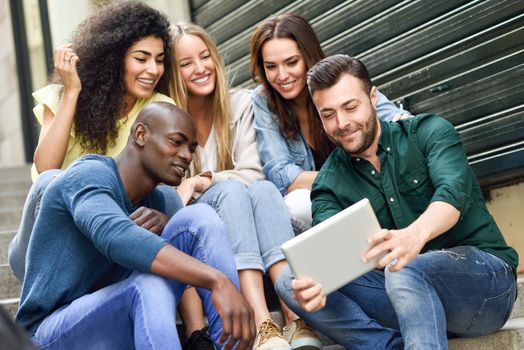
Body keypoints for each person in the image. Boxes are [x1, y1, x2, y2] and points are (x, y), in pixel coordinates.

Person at [275, 54, 518, 349]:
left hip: (483, 289)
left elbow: (452, 195)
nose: (342, 123)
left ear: (373, 97)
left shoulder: (429, 132)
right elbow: (332, 254)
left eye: (351, 107)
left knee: (404, 268)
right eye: (328, 114)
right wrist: (318, 284)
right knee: (291, 279)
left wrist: (413, 236)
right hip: (402, 300)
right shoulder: (328, 183)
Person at [17, 102, 255, 350]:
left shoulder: (164, 202)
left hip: (119, 319)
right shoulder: (88, 175)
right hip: (47, 333)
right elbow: (116, 237)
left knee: (200, 217)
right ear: (140, 135)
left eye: (191, 148)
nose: (186, 155)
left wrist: (168, 225)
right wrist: (218, 280)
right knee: (147, 286)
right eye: (176, 142)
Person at [170, 23, 320, 350]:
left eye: (205, 56)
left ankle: (295, 319)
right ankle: (260, 320)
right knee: (233, 190)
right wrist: (211, 187)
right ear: (173, 71)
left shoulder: (241, 103)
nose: (200, 68)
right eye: (186, 63)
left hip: (245, 214)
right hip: (200, 229)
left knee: (264, 190)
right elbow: (172, 196)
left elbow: (254, 174)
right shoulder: (165, 117)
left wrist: (200, 180)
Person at [8, 2, 180, 283]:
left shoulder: (160, 109)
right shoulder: (62, 97)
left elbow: (162, 190)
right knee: (50, 180)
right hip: (43, 245)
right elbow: (45, 167)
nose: (153, 69)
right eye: (141, 58)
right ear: (113, 59)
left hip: (105, 242)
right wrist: (72, 92)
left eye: (159, 59)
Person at [250, 13, 409, 234]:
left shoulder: (336, 75)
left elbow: (396, 120)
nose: (282, 75)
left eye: (292, 62)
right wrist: (347, 179)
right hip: (326, 200)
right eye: (271, 67)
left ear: (308, 54)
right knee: (296, 204)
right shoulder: (262, 100)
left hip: (372, 187)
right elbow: (283, 177)